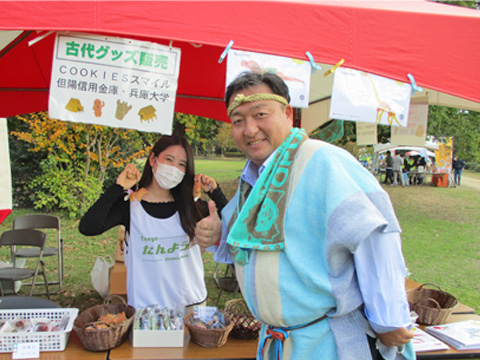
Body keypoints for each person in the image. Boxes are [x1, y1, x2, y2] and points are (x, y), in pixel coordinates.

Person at [195, 72, 414, 360]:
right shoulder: (254, 177)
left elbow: (373, 234)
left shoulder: (321, 160)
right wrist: (220, 232)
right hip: (278, 341)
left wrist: (388, 319)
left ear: (288, 114)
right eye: (238, 120)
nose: (249, 130)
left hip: (326, 342)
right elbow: (250, 238)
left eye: (260, 114)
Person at [79, 135, 228, 310]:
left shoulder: (192, 205)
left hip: (190, 304)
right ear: (153, 159)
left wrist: (215, 192)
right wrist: (118, 187)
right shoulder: (131, 204)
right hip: (146, 309)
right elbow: (88, 227)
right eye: (169, 160)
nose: (174, 169)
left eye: (182, 164)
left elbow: (236, 227)